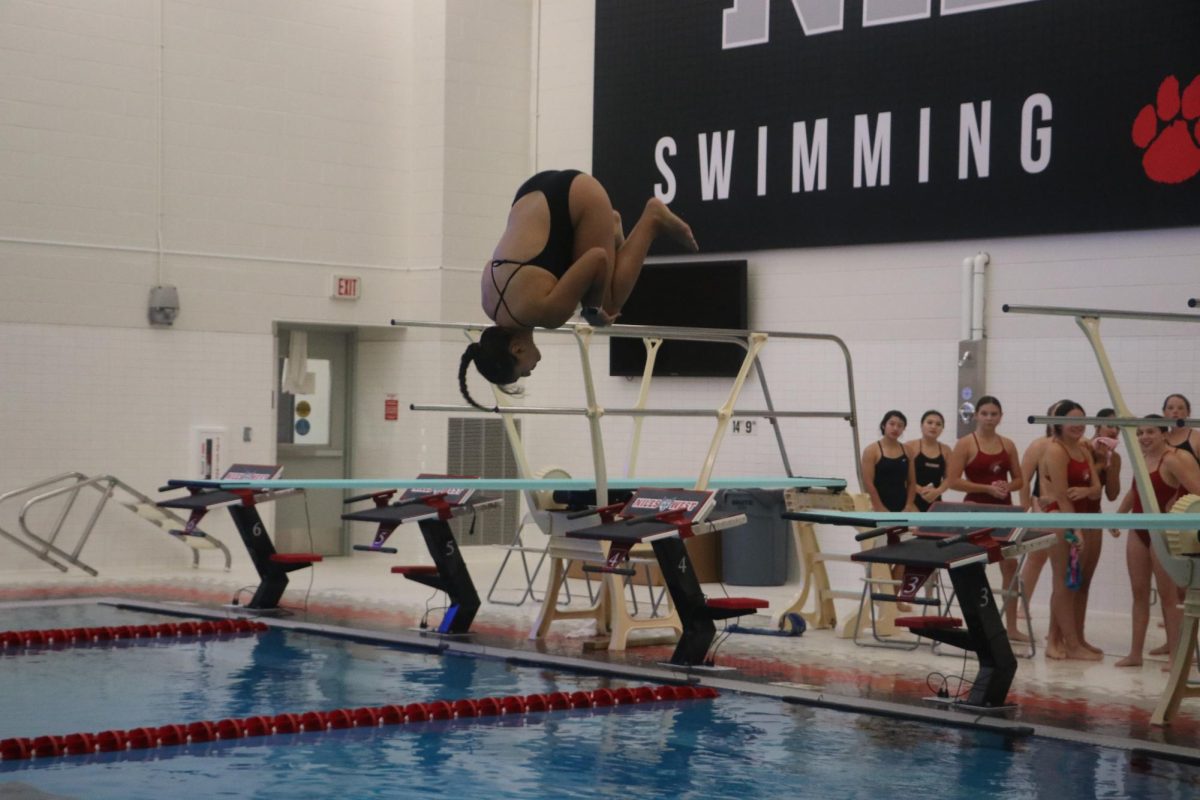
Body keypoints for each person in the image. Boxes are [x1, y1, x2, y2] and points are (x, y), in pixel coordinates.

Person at [459, 170, 698, 409]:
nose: (529, 374)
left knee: (608, 306)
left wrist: (592, 311)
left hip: (579, 196)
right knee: (576, 286)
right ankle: (608, 226)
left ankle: (652, 219)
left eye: (522, 373)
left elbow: (598, 259)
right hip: (531, 193)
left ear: (517, 348)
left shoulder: (545, 314)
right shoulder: (488, 303)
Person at [1112, 416, 1200, 667]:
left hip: (1164, 532)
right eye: (1139, 434)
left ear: (1164, 434)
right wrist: (1118, 518)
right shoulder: (1141, 458)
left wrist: (1178, 510)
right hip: (1139, 529)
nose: (1144, 438)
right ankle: (1135, 653)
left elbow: (1198, 491)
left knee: (1168, 596)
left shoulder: (1174, 458)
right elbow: (1134, 490)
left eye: (1150, 432)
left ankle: (1176, 656)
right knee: (1139, 593)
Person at [947, 395, 1026, 640]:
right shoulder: (965, 444)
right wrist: (986, 489)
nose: (990, 418)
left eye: (994, 414)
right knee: (972, 567)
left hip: (1002, 510)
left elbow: (1020, 480)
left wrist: (1006, 486)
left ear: (1000, 417)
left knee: (1010, 568)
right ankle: (977, 623)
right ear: (977, 416)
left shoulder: (1008, 444)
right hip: (975, 510)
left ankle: (1011, 627)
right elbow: (953, 481)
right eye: (985, 413)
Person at [1038, 401, 1103, 661]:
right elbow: (1063, 497)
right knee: (1064, 583)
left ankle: (1075, 636)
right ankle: (1065, 643)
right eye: (1073, 420)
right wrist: (1075, 528)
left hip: (1085, 517)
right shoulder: (1055, 451)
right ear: (1059, 423)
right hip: (1063, 519)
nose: (1078, 425)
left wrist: (1087, 491)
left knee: (1078, 582)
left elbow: (1098, 489)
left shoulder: (1084, 449)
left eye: (1082, 419)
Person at [862, 410, 915, 513]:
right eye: (892, 424)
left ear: (903, 429)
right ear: (883, 425)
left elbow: (912, 482)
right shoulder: (871, 450)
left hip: (902, 507)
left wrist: (908, 506)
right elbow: (868, 483)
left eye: (900, 426)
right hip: (877, 507)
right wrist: (879, 508)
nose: (895, 428)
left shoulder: (908, 451)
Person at [905, 410, 951, 512]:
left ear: (942, 429)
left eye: (938, 424)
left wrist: (937, 491)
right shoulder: (910, 446)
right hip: (911, 502)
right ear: (921, 426)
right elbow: (902, 475)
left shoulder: (946, 450)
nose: (933, 426)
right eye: (929, 422)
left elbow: (949, 478)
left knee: (931, 528)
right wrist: (920, 490)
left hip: (935, 502)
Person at [1163, 393, 1200, 463]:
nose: (1175, 411)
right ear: (1164, 412)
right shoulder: (1162, 437)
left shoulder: (1196, 437)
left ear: (1188, 412)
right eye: (1170, 408)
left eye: (1180, 408)